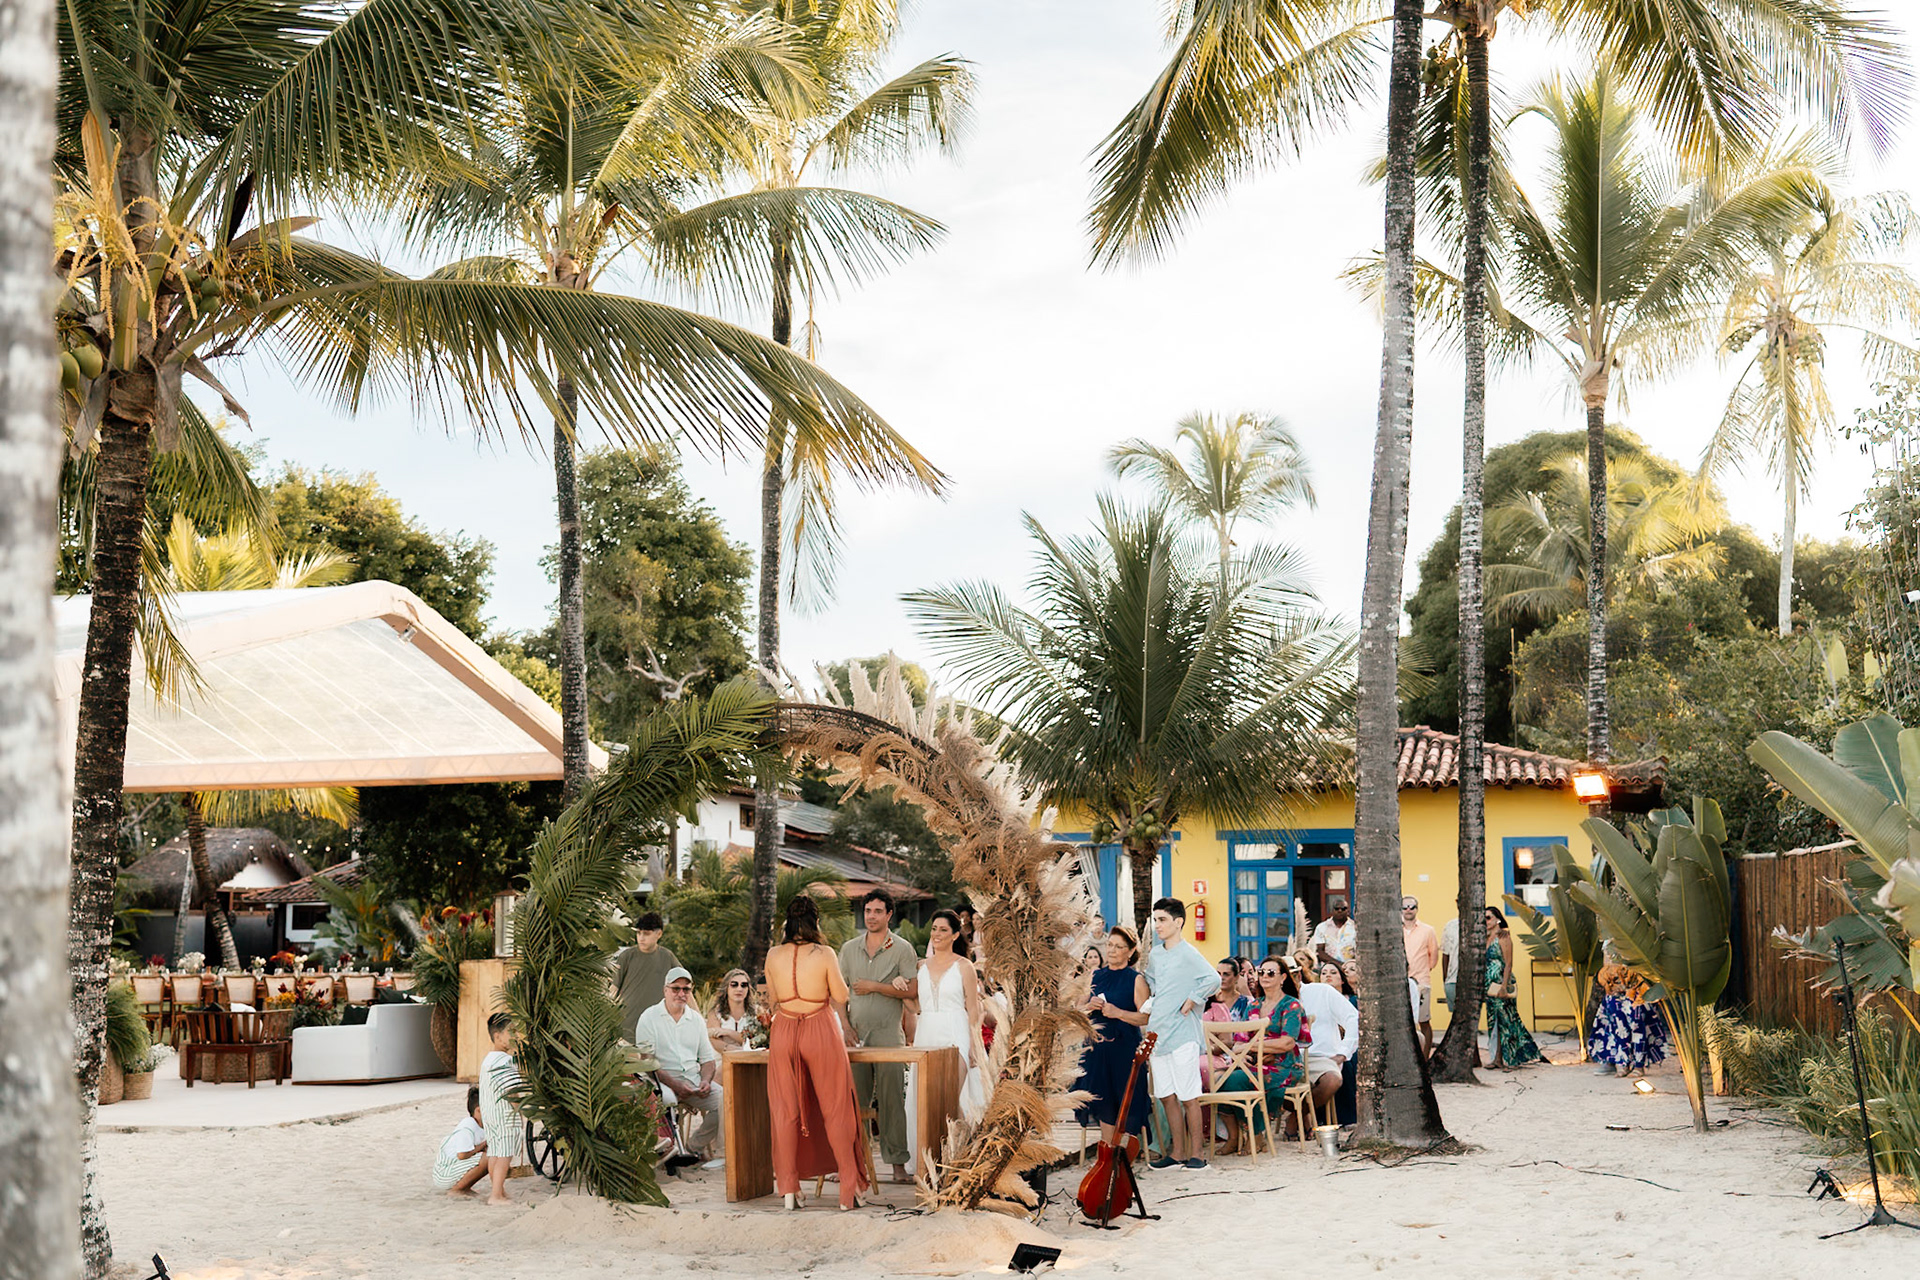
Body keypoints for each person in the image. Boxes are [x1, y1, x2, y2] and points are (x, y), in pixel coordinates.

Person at [766, 894, 870, 1211]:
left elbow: (772, 1000)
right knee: (836, 1107)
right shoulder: (824, 953)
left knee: (785, 1111)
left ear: (788, 923)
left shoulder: (773, 954)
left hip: (784, 1028)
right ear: (816, 922)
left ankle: (788, 1188)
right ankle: (848, 1190)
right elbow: (840, 995)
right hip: (818, 1026)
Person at [838, 889, 918, 1185]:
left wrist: (875, 986)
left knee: (891, 1101)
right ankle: (853, 1164)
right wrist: (845, 1026)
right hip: (855, 1036)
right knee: (853, 1101)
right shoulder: (848, 949)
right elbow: (837, 993)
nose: (871, 916)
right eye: (867, 911)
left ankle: (897, 1165)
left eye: (877, 911)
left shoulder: (903, 949)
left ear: (889, 915)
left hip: (888, 1037)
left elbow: (913, 991)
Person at [1140, 897, 1220, 1172]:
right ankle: (1177, 1154)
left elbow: (1213, 979)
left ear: (1178, 922)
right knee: (1165, 1096)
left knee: (1188, 1096)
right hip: (1158, 1033)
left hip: (1183, 1034)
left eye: (1162, 919)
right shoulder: (1156, 954)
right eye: (1155, 919)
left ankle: (1197, 1155)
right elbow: (1151, 979)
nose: (1157, 925)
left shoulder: (1189, 953)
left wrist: (1192, 999)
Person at [909, 909, 989, 1163]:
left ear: (955, 935)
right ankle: (931, 1160)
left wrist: (974, 1045)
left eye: (943, 930)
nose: (937, 934)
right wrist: (900, 984)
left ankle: (962, 1157)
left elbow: (973, 1009)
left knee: (950, 1099)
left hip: (956, 1032)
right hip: (926, 1033)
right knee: (927, 1102)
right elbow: (915, 1005)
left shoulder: (965, 967)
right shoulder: (921, 967)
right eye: (934, 929)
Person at [1215, 959, 1310, 1150]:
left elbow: (1287, 1043)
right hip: (1255, 1064)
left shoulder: (1291, 1006)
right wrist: (1245, 1053)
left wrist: (1253, 1046)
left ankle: (1255, 1134)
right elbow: (1239, 1042)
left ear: (1283, 978)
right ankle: (1241, 1135)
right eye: (1261, 972)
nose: (1264, 976)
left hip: (1285, 1065)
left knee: (1234, 1081)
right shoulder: (1254, 1005)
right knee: (1218, 1079)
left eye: (1271, 973)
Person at [636, 967, 725, 1169]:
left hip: (693, 1080)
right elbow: (648, 1063)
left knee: (725, 1101)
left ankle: (693, 1147)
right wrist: (676, 1085)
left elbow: (708, 1061)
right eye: (676, 988)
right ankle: (670, 1151)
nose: (681, 994)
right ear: (665, 990)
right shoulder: (649, 1017)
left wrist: (705, 1081)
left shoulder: (696, 1020)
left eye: (686, 989)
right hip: (660, 1081)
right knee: (667, 1099)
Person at [1072, 926, 1150, 1149]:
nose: (1112, 950)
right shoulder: (1094, 976)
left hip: (1125, 1050)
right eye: (1110, 945)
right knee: (1102, 1098)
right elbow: (1076, 1010)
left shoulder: (1136, 980)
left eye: (1119, 947)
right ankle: (1108, 1149)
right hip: (1096, 1049)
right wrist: (1089, 1006)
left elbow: (1145, 1018)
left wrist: (1118, 1013)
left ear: (1130, 951)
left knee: (1127, 1098)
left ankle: (1123, 1150)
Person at [1297, 961, 1358, 1126]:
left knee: (1334, 1076)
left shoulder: (1322, 992)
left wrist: (1343, 1052)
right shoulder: (1263, 1002)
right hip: (1283, 1060)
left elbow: (1353, 1019)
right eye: (1324, 973)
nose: (1328, 976)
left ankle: (1298, 1116)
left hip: (1321, 1057)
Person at [1588, 953, 1668, 1076]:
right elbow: (1607, 966)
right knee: (1618, 1028)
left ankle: (1639, 1066)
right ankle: (1622, 1063)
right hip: (1615, 991)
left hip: (1637, 990)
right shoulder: (1608, 945)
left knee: (1637, 1026)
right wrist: (1612, 984)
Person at [1483, 907, 1542, 1068]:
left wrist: (1504, 985)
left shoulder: (1504, 937)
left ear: (1497, 919)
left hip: (1501, 983)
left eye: (1488, 917)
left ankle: (1512, 1060)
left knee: (1507, 1022)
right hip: (1489, 986)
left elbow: (1508, 964)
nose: (1485, 921)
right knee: (1494, 1023)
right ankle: (1497, 1059)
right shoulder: (1485, 938)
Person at [612, 912, 681, 1041]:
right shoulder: (627, 956)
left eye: (646, 934)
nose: (641, 938)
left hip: (657, 1030)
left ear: (659, 934)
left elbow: (685, 989)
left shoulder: (667, 957)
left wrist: (699, 1019)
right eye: (638, 933)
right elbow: (613, 990)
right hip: (625, 1030)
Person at [478, 1012, 524, 1206]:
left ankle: (499, 1191)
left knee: (495, 1153)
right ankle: (496, 1195)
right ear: (497, 1036)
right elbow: (511, 1090)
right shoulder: (505, 1061)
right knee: (504, 1154)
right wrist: (519, 1110)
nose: (515, 1036)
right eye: (510, 1032)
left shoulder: (488, 1060)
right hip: (504, 1114)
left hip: (490, 1113)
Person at [1201, 958, 1255, 1086]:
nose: (1221, 978)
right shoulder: (1207, 1002)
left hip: (1239, 1053)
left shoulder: (1248, 1004)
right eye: (1218, 974)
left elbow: (1253, 1035)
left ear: (1236, 977)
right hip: (1209, 1053)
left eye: (1226, 974)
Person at [431, 1086, 489, 1196]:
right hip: (444, 1173)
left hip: (455, 1166)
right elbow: (462, 1155)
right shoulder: (468, 1126)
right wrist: (482, 1145)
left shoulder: (481, 1126)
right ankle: (458, 1189)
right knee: (488, 1158)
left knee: (490, 1155)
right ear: (479, 1110)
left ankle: (464, 1187)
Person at [1402, 896, 1439, 1056]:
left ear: (1417, 909)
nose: (1408, 910)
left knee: (1423, 1021)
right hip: (1400, 982)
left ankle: (1425, 1058)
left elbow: (1433, 957)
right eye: (1405, 907)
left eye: (1412, 907)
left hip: (1421, 982)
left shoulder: (1428, 930)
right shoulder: (1395, 930)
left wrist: (1421, 971)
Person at [707, 968, 764, 1053]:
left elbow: (758, 1040)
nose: (739, 989)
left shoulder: (757, 1012)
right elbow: (715, 1042)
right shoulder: (715, 1013)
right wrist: (739, 1051)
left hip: (751, 1058)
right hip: (723, 1059)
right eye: (734, 985)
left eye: (744, 985)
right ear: (726, 988)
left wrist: (728, 1032)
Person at [1311, 896, 1356, 966]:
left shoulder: (1355, 927)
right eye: (1336, 908)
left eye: (1343, 909)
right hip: (1329, 968)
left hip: (1350, 968)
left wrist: (1348, 966)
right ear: (1332, 910)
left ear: (1348, 911)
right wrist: (1339, 964)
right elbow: (1320, 952)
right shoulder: (1322, 927)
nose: (1340, 911)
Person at [1439, 915, 1460, 1010]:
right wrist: (1446, 980)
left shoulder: (1482, 925)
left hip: (1478, 982)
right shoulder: (1451, 925)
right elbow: (1445, 954)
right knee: (1456, 1014)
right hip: (1452, 980)